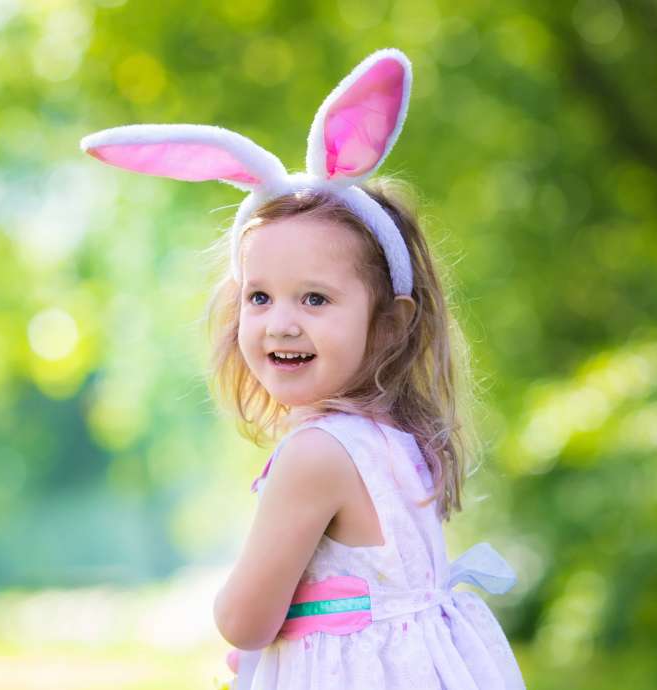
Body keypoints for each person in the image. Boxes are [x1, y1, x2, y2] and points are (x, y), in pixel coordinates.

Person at [81, 48, 526, 690]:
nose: (281, 322)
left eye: (315, 299)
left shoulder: (315, 455)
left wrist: (245, 621)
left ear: (390, 324)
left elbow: (244, 618)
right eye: (259, 297)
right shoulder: (394, 441)